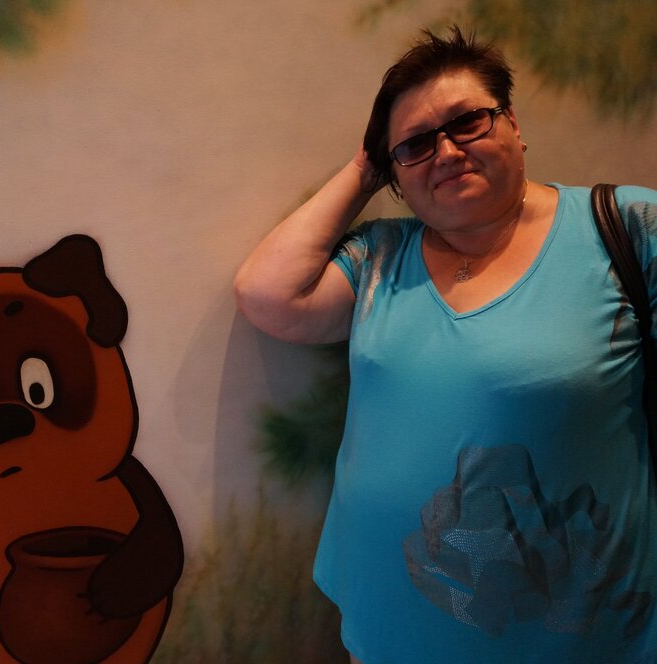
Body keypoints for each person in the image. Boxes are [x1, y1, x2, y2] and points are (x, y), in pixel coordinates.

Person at [234, 26, 657, 664]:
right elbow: (268, 295)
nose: (448, 151)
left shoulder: (625, 228)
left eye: (467, 122)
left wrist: (402, 150)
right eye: (417, 144)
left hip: (569, 633)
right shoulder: (381, 256)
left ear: (512, 123)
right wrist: (365, 169)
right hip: (387, 621)